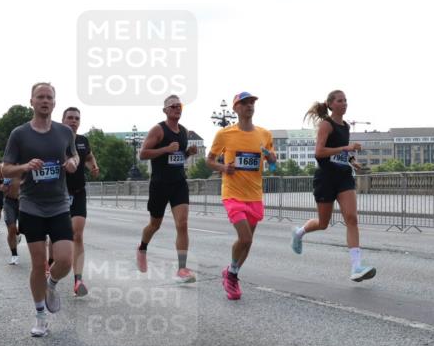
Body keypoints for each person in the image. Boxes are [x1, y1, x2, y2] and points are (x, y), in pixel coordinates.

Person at [1, 82, 79, 337]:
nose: (45, 101)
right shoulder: (19, 134)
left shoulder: (65, 132)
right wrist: (24, 167)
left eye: (49, 97)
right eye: (40, 97)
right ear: (31, 102)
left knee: (65, 259)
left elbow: (74, 155)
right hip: (31, 205)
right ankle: (40, 318)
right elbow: (5, 168)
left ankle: (52, 285)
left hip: (58, 204)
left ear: (54, 103)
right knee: (37, 263)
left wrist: (72, 162)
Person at [290, 89, 376, 282]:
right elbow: (319, 152)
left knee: (352, 218)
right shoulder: (326, 125)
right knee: (323, 223)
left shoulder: (345, 126)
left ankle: (356, 267)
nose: (344, 103)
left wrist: (352, 159)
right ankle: (299, 232)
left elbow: (341, 149)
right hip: (326, 177)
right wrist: (345, 148)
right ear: (330, 104)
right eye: (340, 101)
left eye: (346, 100)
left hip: (343, 176)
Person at [206, 92, 276, 300]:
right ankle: (232, 277)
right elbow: (209, 160)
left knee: (248, 241)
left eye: (252, 102)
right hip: (233, 194)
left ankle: (232, 272)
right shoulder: (225, 134)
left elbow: (271, 165)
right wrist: (222, 167)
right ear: (235, 108)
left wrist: (272, 159)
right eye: (244, 103)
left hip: (254, 195)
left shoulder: (264, 134)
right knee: (244, 237)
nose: (249, 106)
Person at [135, 94, 198, 283]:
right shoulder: (158, 130)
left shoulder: (184, 131)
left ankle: (182, 269)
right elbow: (143, 154)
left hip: (179, 183)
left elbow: (178, 158)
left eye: (180, 106)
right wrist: (165, 149)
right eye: (173, 106)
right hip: (160, 185)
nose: (177, 109)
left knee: (183, 223)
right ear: (165, 110)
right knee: (155, 225)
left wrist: (188, 153)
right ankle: (142, 248)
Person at [62, 106, 100, 296]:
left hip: (78, 192)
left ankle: (78, 280)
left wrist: (93, 165)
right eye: (70, 118)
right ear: (63, 120)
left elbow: (89, 156)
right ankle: (50, 264)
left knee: (77, 235)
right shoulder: (55, 139)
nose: (73, 121)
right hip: (57, 194)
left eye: (77, 118)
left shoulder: (83, 141)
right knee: (55, 237)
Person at [0, 162, 23, 263]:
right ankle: (14, 255)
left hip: (25, 201)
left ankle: (18, 232)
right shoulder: (2, 166)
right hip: (9, 201)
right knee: (11, 229)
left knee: (25, 227)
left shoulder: (25, 162)